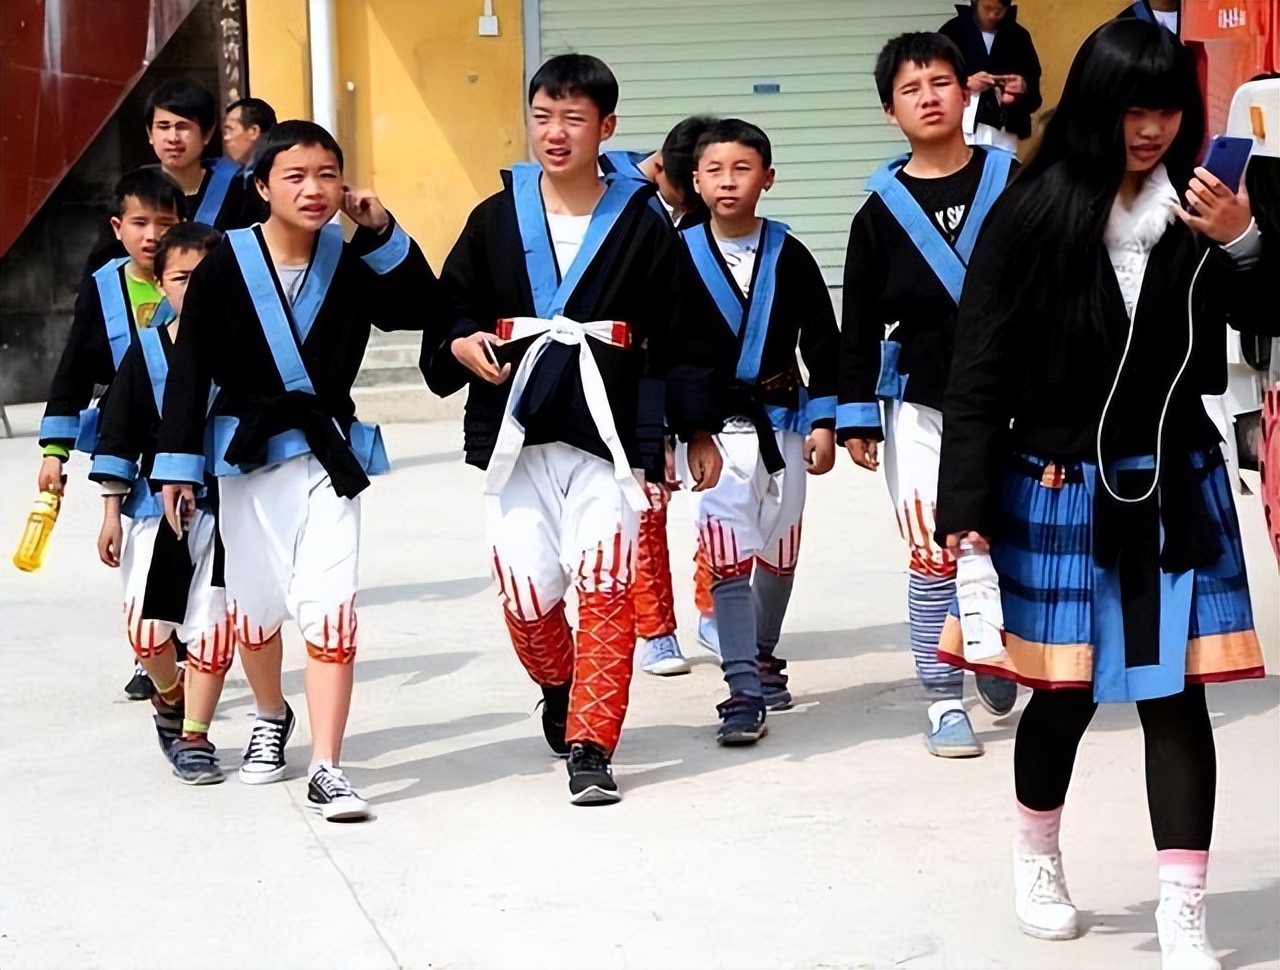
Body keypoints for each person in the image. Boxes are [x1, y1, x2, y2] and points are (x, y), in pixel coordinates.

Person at [934, 20, 1271, 966]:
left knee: (1175, 700)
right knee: (1062, 695)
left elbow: (1271, 319)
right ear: (1090, 106)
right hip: (1054, 483)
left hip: (1176, 482)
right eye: (1130, 107)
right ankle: (1036, 858)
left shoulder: (1216, 203)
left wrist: (1242, 241)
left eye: (1166, 108)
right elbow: (979, 369)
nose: (1151, 128)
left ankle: (1183, 911)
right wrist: (964, 510)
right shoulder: (1032, 208)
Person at [420, 53, 723, 805]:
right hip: (518, 430)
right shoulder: (494, 216)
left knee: (608, 587)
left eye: (574, 120)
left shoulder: (641, 219)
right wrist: (460, 342)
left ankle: (593, 744)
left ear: (606, 129)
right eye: (543, 117)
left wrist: (695, 430)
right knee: (528, 599)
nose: (555, 134)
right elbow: (450, 308)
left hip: (609, 433)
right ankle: (559, 683)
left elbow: (683, 332)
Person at [155, 120, 439, 821]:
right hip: (246, 457)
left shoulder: (349, 257)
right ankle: (270, 712)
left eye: (328, 176)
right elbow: (189, 366)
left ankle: (328, 766)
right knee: (254, 610)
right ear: (261, 187)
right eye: (295, 176)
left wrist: (380, 229)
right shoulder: (225, 262)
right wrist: (177, 468)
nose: (315, 190)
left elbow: (418, 309)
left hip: (326, 455)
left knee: (331, 605)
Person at [838, 32, 1018, 758]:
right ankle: (944, 696)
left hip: (1014, 390)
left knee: (1007, 537)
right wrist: (852, 417)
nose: (930, 97)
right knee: (931, 548)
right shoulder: (877, 213)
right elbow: (857, 323)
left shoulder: (1014, 181)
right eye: (911, 89)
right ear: (891, 110)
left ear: (966, 91)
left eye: (942, 82)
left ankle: (995, 645)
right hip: (919, 397)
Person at [678, 119, 838, 743]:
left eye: (742, 169)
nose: (727, 182)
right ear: (695, 180)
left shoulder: (789, 255)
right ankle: (742, 686)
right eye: (714, 170)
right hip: (716, 435)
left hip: (784, 425)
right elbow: (664, 352)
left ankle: (764, 652)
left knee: (780, 548)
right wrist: (684, 433)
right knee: (725, 556)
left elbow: (824, 342)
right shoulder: (679, 255)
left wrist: (825, 418)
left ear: (767, 178)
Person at [89, 222, 231, 785]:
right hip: (155, 512)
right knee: (150, 637)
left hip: (225, 511)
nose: (193, 291)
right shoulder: (145, 354)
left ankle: (195, 735)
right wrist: (110, 513)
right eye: (181, 279)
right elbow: (117, 433)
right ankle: (170, 702)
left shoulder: (248, 351)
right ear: (160, 283)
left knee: (215, 632)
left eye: (207, 279)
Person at [37, 168, 184, 699]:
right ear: (118, 227)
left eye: (165, 224)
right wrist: (56, 451)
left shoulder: (206, 279)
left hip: (197, 441)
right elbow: (74, 368)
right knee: (143, 550)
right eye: (140, 223)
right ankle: (154, 655)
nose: (152, 236)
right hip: (133, 444)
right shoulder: (102, 288)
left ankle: (185, 643)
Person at [599, 114, 719, 678]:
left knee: (722, 496)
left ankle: (714, 608)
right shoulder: (612, 199)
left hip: (691, 363)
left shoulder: (697, 213)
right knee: (646, 503)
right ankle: (655, 629)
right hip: (626, 372)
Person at [83, 79, 257, 277]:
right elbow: (103, 273)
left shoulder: (238, 193)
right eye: (163, 126)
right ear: (150, 134)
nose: (173, 138)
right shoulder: (131, 194)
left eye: (183, 127)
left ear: (207, 134)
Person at [939, 0, 1041, 153]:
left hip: (1004, 127)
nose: (992, 15)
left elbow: (1033, 80)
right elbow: (936, 76)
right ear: (975, 4)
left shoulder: (1018, 36)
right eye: (987, 8)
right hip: (961, 124)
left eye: (999, 10)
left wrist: (1023, 85)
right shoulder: (952, 32)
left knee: (1003, 170)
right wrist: (966, 83)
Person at [222, 97, 277, 167]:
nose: (225, 138)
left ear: (254, 131)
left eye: (229, 130)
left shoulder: (278, 169)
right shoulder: (237, 173)